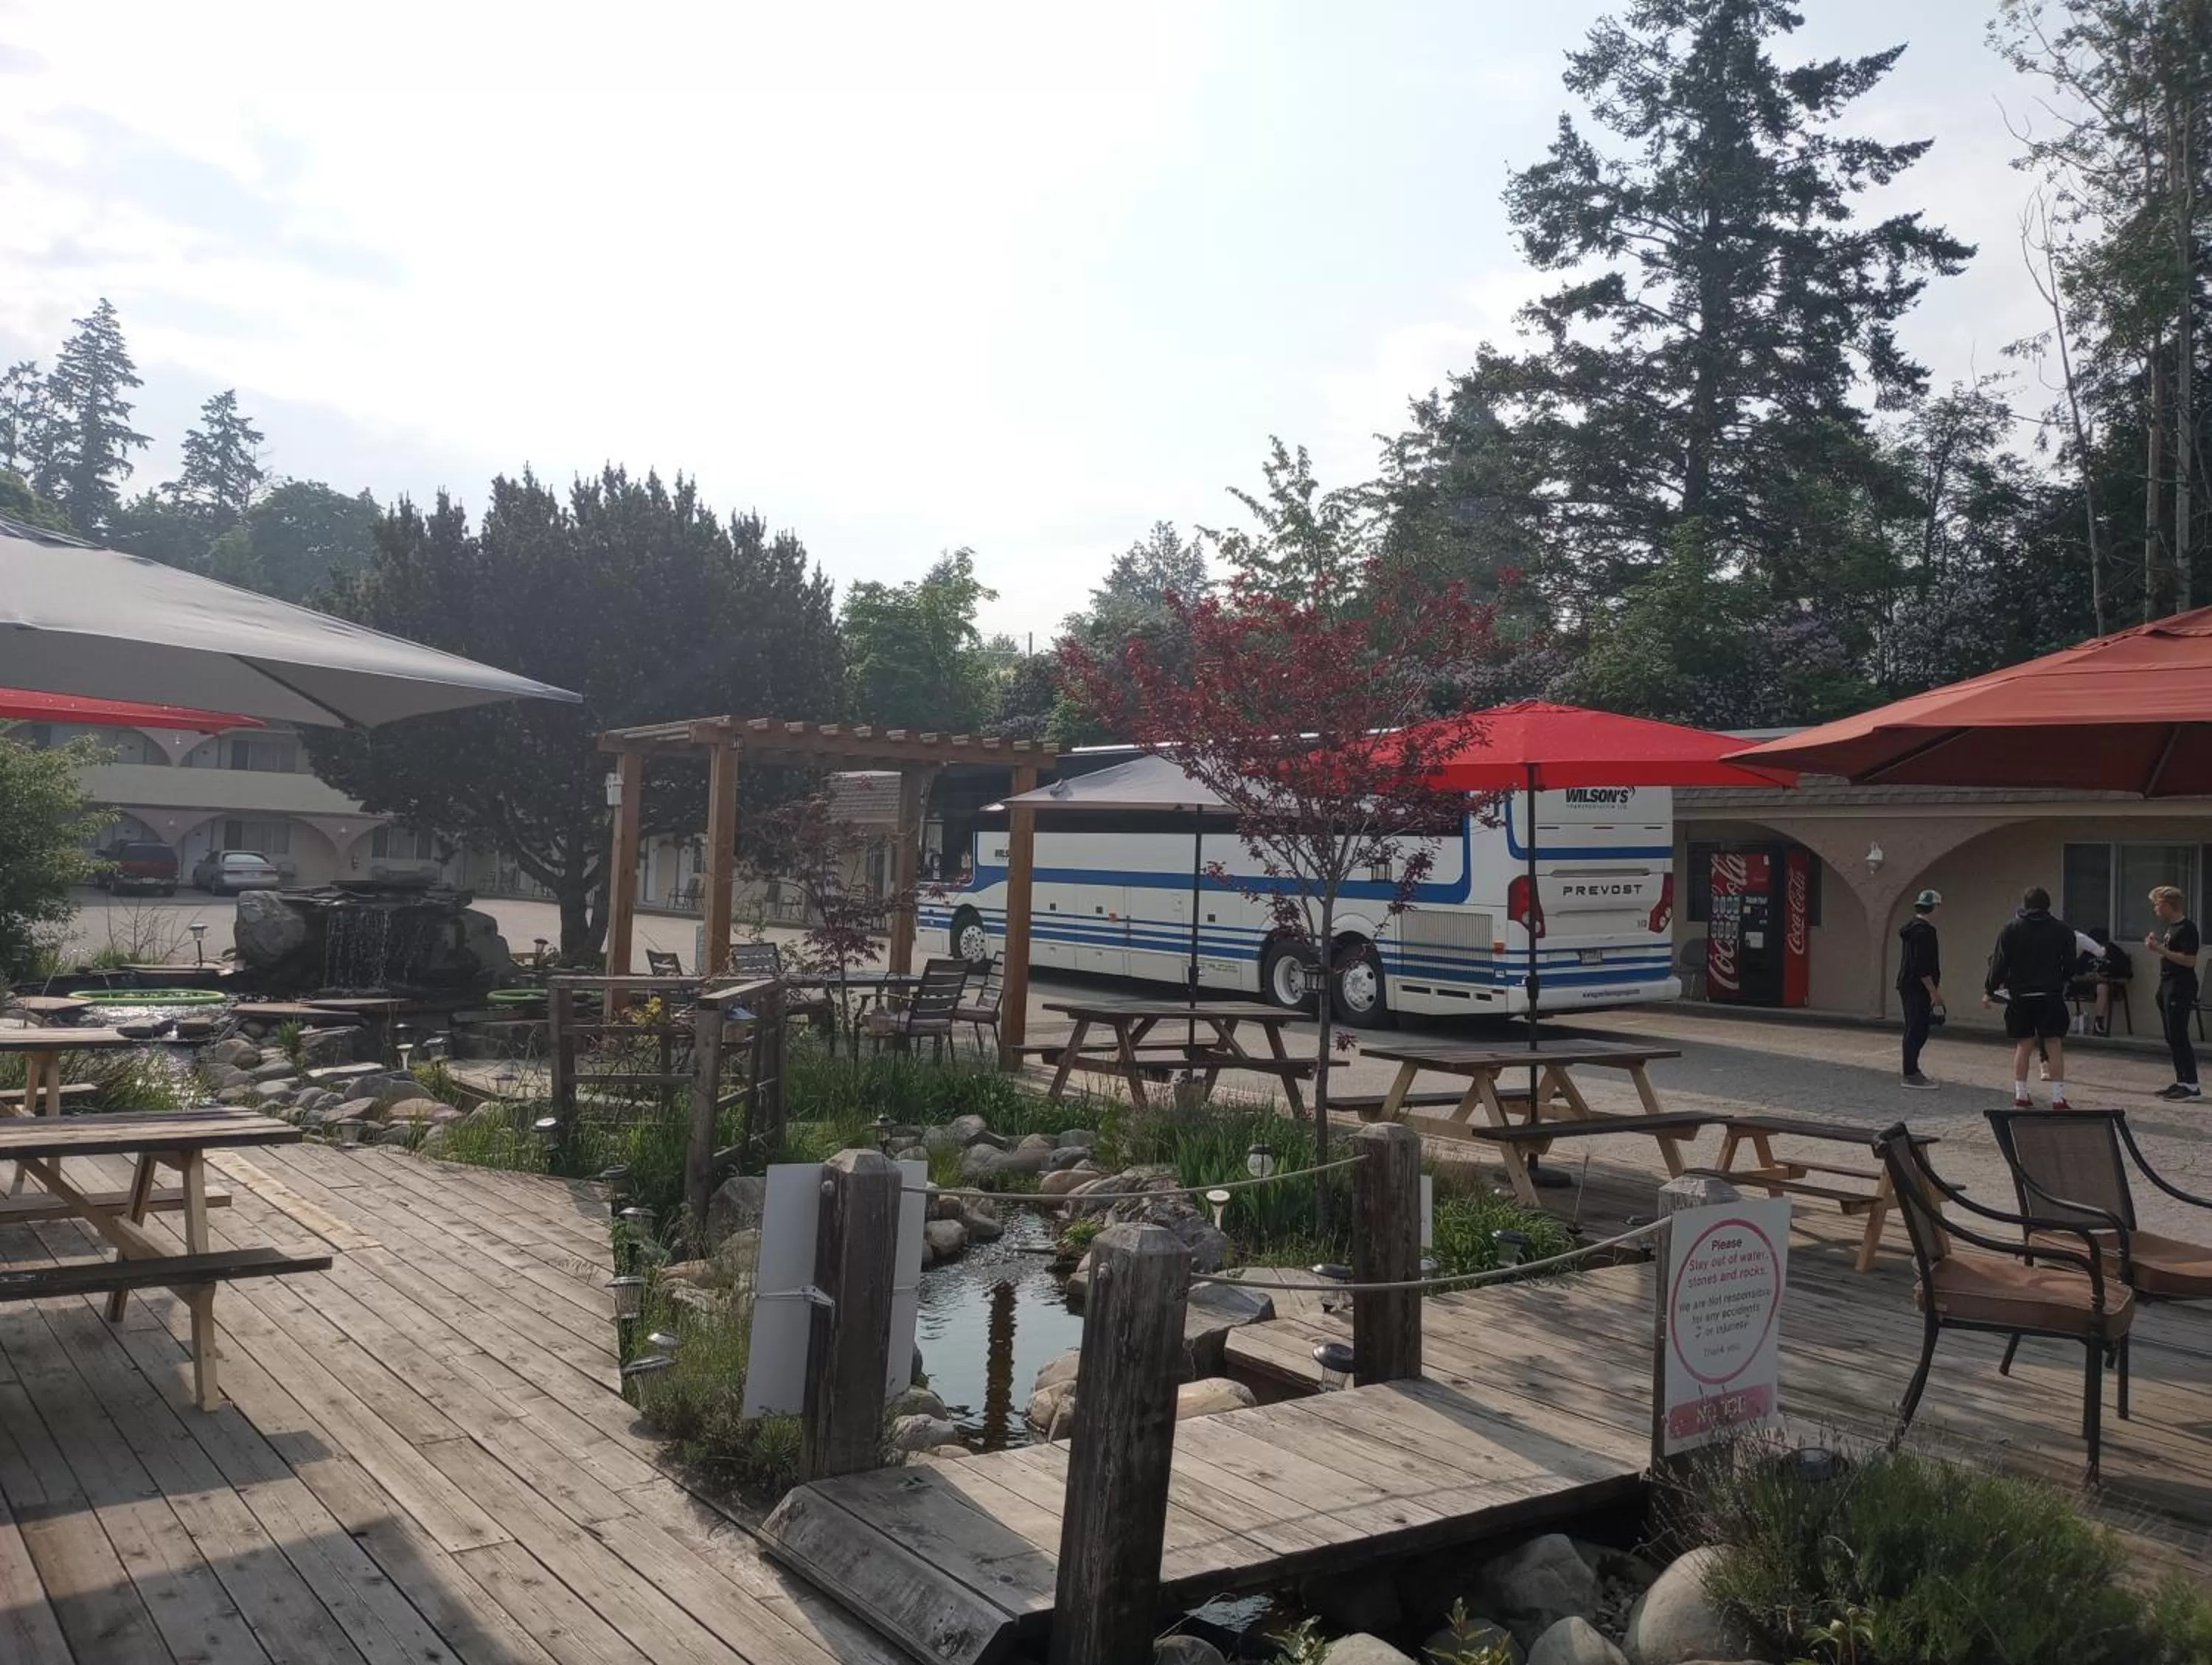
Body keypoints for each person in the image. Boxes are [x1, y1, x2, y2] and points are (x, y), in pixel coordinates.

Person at [1983, 886, 2078, 1109]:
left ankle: (2022, 1095)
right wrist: (2061, 979)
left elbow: (1999, 963)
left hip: (2021, 995)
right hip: (2050, 994)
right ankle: (2057, 1097)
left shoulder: (2011, 929)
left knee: (2024, 1044)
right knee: (2053, 1043)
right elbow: (2071, 965)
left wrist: (1990, 989)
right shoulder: (2062, 930)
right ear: (2048, 905)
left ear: (2025, 905)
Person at [2143, 885, 2200, 1100]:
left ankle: (2192, 1084)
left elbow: (2189, 960)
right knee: (2171, 1035)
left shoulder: (2188, 928)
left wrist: (2160, 950)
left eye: (2157, 904)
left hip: (2181, 985)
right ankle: (2181, 1080)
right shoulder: (2171, 928)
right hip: (2167, 983)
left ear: (2168, 905)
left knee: (2179, 1034)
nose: (2155, 909)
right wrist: (2157, 946)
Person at [1896, 889, 1943, 1088]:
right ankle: (1911, 1073)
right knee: (1917, 1030)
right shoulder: (1926, 932)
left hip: (1907, 984)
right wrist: (1933, 991)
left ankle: (1912, 1069)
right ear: (1934, 907)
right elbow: (1922, 965)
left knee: (1914, 1028)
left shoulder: (1910, 928)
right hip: (1918, 987)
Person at [2069, 926, 2132, 1037]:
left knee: (2102, 987)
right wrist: (2086, 977)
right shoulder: (2087, 952)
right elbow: (2074, 975)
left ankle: (2098, 1024)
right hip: (2087, 985)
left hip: (2109, 987)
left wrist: (2105, 979)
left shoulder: (2116, 954)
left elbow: (2126, 979)